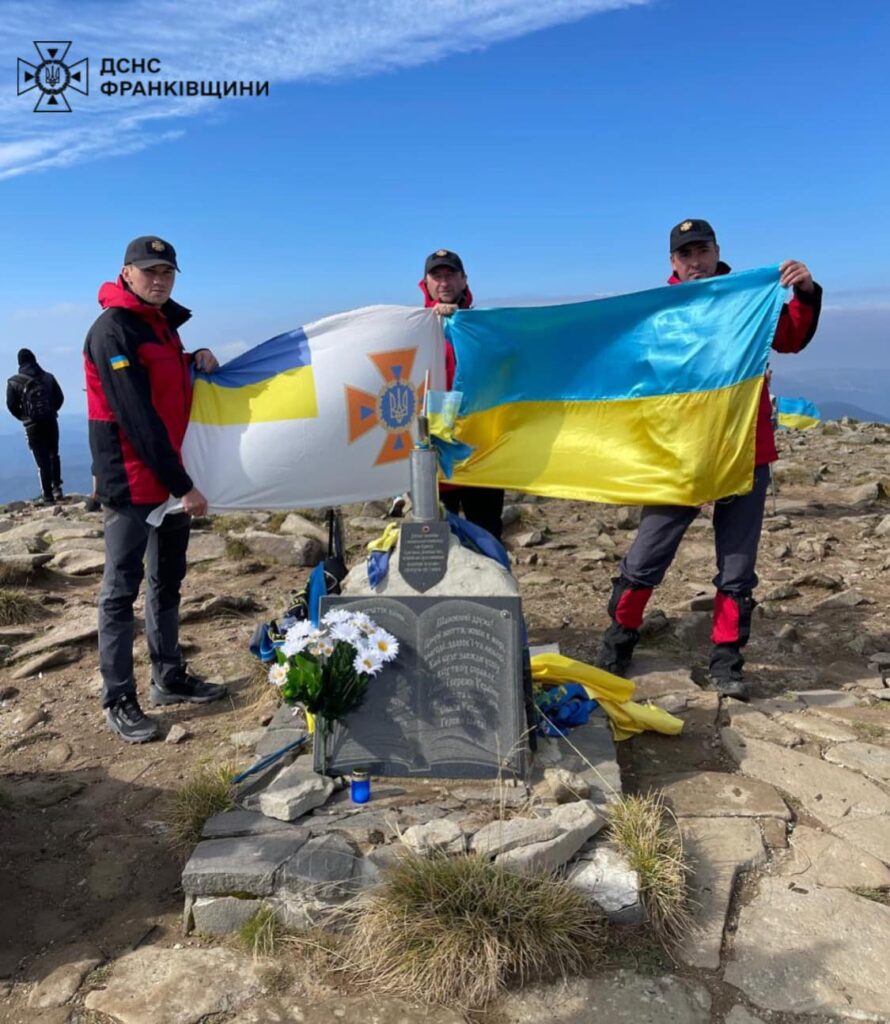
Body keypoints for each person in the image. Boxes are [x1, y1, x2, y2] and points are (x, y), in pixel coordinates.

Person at [596, 219, 822, 701]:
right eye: (685, 255)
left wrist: (804, 291)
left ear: (718, 251)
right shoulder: (662, 311)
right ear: (673, 263)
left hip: (744, 450)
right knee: (646, 555)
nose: (695, 262)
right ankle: (618, 642)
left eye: (702, 251)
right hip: (680, 455)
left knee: (737, 567)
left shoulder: (749, 301)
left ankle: (727, 662)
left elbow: (790, 339)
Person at [84, 236, 227, 743]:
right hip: (134, 479)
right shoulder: (113, 330)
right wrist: (184, 484)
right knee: (120, 591)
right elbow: (137, 417)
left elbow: (168, 386)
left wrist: (196, 358)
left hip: (168, 476)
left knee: (167, 579)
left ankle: (169, 675)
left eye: (167, 271)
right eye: (149, 271)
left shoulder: (161, 327)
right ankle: (119, 697)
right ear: (126, 274)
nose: (159, 279)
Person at [419, 248, 505, 539]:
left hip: (482, 449)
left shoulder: (486, 327)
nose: (444, 282)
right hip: (434, 456)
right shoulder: (415, 329)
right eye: (437, 276)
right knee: (435, 542)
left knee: (488, 535)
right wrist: (437, 322)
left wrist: (463, 323)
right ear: (426, 283)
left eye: (450, 275)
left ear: (464, 279)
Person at [6, 348, 65, 504]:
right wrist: (51, 411)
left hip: (32, 426)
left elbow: (11, 405)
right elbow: (60, 398)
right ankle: (57, 488)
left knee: (41, 460)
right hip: (51, 421)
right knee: (54, 454)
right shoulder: (48, 377)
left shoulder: (14, 382)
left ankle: (47, 496)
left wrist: (24, 417)